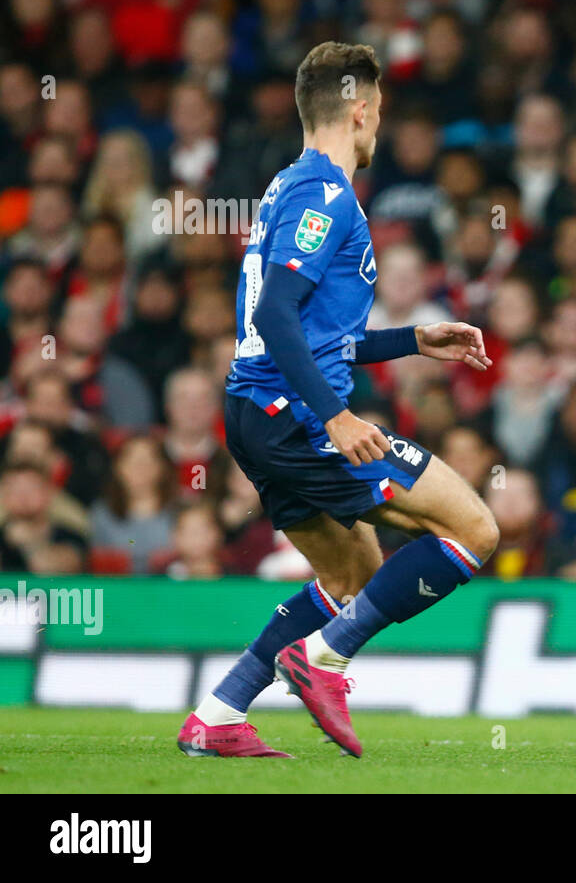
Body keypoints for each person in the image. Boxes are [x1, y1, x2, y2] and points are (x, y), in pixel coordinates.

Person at [178, 42, 499, 760]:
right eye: (378, 110)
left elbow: (315, 333)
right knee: (474, 530)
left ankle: (220, 710)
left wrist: (414, 338)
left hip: (255, 413)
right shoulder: (327, 194)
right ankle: (324, 659)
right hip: (294, 416)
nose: (378, 125)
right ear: (359, 111)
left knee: (350, 577)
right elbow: (277, 317)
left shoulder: (287, 186)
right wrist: (337, 415)